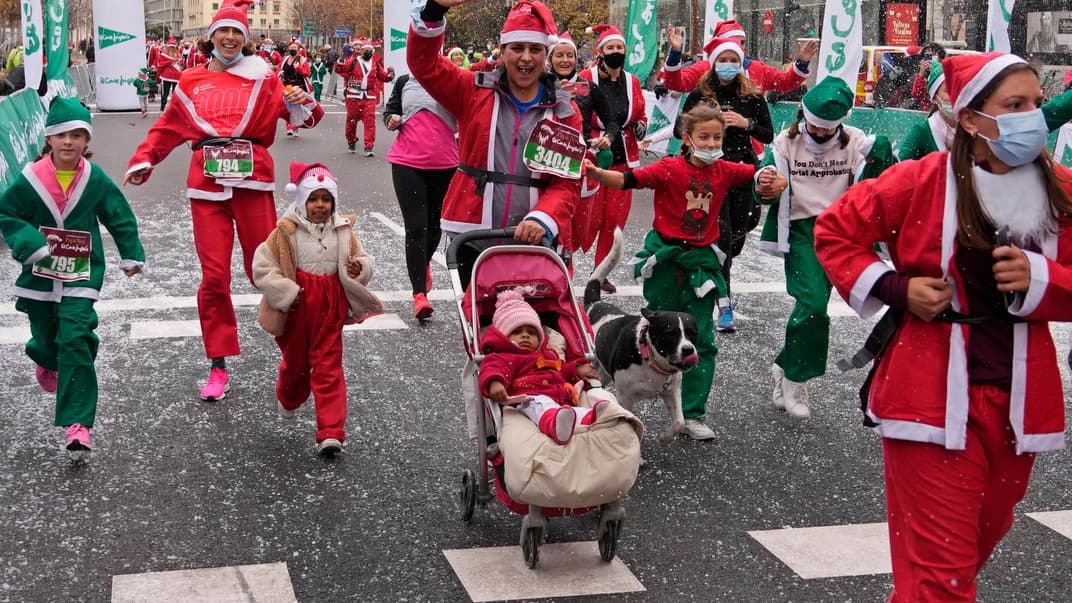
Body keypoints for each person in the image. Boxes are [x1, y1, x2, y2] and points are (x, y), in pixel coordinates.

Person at [815, 52, 1072, 602]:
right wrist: (895, 288)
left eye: (1038, 103)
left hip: (1019, 402)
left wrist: (1042, 279)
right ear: (972, 119)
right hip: (928, 396)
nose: (1035, 117)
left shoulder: (1062, 190)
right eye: (1016, 105)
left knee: (969, 551)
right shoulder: (921, 181)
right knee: (942, 579)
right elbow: (836, 231)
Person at [124, 0, 324, 401]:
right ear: (211, 36)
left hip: (252, 184)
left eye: (237, 32)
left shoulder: (265, 78)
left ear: (245, 40)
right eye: (223, 31)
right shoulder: (190, 81)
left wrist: (303, 99)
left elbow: (308, 118)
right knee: (214, 277)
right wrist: (145, 159)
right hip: (207, 189)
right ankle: (218, 363)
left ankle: (294, 355)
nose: (230, 38)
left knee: (267, 272)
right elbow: (168, 127)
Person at [584, 104, 770, 440]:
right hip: (666, 261)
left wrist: (773, 179)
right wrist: (598, 175)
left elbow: (757, 176)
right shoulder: (669, 168)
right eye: (704, 137)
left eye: (717, 137)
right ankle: (633, 389)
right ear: (687, 138)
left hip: (703, 264)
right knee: (658, 329)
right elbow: (628, 179)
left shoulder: (725, 170)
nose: (712, 144)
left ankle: (693, 413)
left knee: (703, 340)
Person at [0, 98, 145, 461]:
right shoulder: (30, 178)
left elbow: (118, 214)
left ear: (86, 141)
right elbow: (6, 212)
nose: (69, 142)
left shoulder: (94, 179)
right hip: (39, 274)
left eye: (77, 135)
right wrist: (29, 243)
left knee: (76, 337)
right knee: (47, 338)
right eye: (62, 135)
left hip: (82, 273)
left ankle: (78, 424)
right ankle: (47, 358)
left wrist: (130, 254)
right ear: (49, 139)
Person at [407, 0, 582, 288]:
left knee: (531, 327)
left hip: (534, 239)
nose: (526, 58)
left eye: (535, 49)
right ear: (502, 52)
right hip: (473, 234)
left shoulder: (564, 112)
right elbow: (424, 65)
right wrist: (434, 10)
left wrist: (543, 218)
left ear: (545, 55)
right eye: (517, 48)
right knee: (479, 324)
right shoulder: (472, 91)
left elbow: (566, 184)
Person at [756, 77, 895, 419]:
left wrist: (881, 155)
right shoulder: (786, 142)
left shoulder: (856, 142)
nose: (817, 133)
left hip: (840, 231)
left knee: (812, 308)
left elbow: (882, 179)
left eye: (826, 129)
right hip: (803, 232)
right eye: (813, 126)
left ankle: (784, 364)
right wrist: (765, 183)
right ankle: (795, 381)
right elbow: (764, 179)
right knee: (813, 304)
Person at [253, 162, 383, 457]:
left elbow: (364, 260)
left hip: (330, 307)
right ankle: (288, 397)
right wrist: (285, 292)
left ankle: (331, 431)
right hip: (297, 306)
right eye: (313, 198)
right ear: (301, 200)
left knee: (329, 368)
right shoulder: (284, 232)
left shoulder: (344, 231)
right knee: (296, 368)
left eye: (326, 199)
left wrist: (359, 268)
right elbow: (262, 267)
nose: (321, 205)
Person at [673, 37, 773, 332]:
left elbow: (768, 134)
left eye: (733, 60)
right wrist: (705, 131)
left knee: (743, 228)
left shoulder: (752, 96)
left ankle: (721, 268)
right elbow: (682, 130)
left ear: (741, 63)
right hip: (709, 172)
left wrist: (746, 124)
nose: (728, 65)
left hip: (742, 170)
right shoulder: (700, 94)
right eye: (723, 59)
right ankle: (723, 302)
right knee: (722, 236)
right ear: (713, 62)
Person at [479, 289, 604, 445]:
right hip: (527, 400)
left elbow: (560, 370)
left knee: (573, 411)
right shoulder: (503, 356)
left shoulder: (548, 355)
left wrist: (575, 369)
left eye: (531, 333)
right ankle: (554, 425)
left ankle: (590, 417)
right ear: (504, 336)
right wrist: (495, 383)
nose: (525, 335)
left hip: (560, 399)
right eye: (517, 332)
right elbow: (492, 369)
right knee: (541, 404)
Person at [576, 23, 647, 293]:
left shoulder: (633, 81)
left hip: (623, 158)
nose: (616, 52)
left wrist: (641, 125)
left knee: (614, 219)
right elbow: (576, 110)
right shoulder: (586, 76)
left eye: (620, 48)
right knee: (587, 217)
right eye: (611, 48)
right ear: (600, 52)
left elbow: (640, 114)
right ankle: (564, 262)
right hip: (591, 156)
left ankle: (600, 272)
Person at [384, 72, 459, 322]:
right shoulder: (405, 81)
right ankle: (420, 294)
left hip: (446, 163)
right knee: (416, 228)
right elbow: (390, 111)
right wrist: (391, 119)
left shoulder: (453, 80)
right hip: (407, 162)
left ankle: (423, 263)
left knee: (436, 226)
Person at [549, 31, 617, 235]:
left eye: (569, 55)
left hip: (577, 162)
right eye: (559, 55)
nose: (565, 60)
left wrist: (608, 138)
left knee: (574, 225)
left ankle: (566, 261)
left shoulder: (588, 88)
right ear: (550, 58)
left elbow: (612, 122)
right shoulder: (538, 85)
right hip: (544, 159)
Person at [661, 20, 816, 97]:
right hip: (711, 146)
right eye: (733, 42)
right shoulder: (704, 68)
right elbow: (675, 83)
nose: (739, 47)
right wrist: (675, 52)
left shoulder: (757, 68)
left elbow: (785, 83)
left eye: (741, 42)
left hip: (747, 151)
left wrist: (802, 62)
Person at [336, 38, 395, 156]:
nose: (368, 53)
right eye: (366, 50)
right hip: (353, 95)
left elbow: (384, 78)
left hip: (369, 97)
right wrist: (341, 59)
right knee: (352, 120)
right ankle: (351, 140)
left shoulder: (375, 64)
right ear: (361, 52)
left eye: (370, 51)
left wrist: (391, 73)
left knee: (370, 121)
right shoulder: (353, 62)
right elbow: (339, 69)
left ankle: (369, 146)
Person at [279, 40, 312, 137]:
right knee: (288, 107)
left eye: (295, 48)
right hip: (287, 86)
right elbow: (279, 69)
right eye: (291, 48)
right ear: (288, 49)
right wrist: (280, 73)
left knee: (296, 107)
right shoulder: (285, 59)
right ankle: (289, 127)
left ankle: (296, 127)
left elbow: (307, 73)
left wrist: (298, 68)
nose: (293, 50)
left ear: (298, 50)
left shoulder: (302, 60)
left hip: (298, 86)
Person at [152, 38, 183, 111]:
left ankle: (162, 109)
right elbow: (181, 66)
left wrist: (158, 78)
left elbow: (160, 67)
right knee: (175, 94)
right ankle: (174, 110)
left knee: (165, 93)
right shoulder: (179, 55)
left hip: (167, 76)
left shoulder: (164, 54)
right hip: (177, 77)